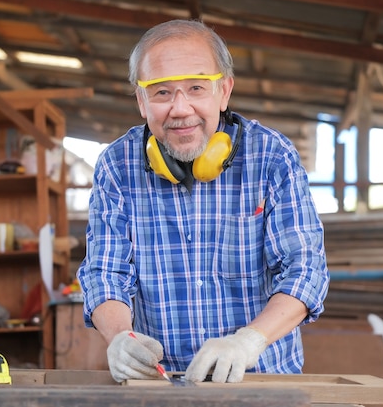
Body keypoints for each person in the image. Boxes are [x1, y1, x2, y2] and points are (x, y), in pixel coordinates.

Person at [77, 19, 330, 384]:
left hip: (262, 385)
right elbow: (105, 274)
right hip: (161, 386)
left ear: (224, 91)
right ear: (141, 101)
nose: (180, 109)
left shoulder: (272, 156)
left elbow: (305, 270)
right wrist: (120, 338)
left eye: (196, 87)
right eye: (161, 92)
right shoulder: (116, 165)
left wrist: (248, 341)